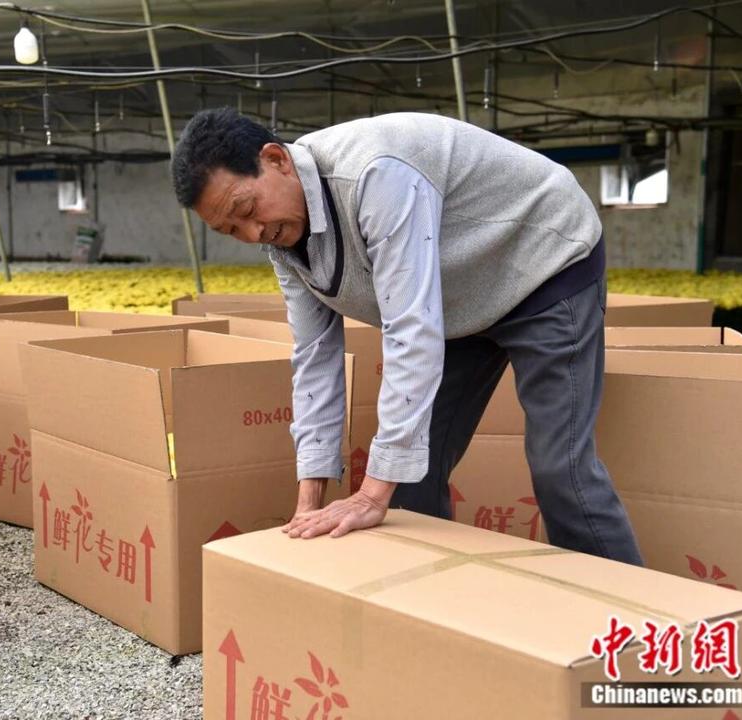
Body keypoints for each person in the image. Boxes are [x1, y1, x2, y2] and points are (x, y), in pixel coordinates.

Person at [171, 108, 643, 566]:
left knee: (559, 467)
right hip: (458, 294)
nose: (254, 233)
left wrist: (370, 495)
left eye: (247, 209)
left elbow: (410, 330)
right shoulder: (283, 241)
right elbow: (315, 355)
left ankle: (628, 612)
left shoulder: (375, 175)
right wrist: (309, 499)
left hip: (543, 259)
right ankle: (421, 602)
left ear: (276, 159)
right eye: (231, 230)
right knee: (413, 473)